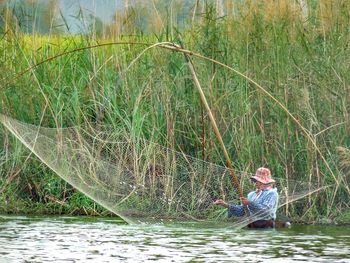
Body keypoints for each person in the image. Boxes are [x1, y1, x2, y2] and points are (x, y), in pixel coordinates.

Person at [214, 167, 279, 228]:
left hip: (266, 227)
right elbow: (241, 211)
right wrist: (225, 204)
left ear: (264, 182)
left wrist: (249, 203)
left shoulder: (272, 193)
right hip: (252, 226)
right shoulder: (251, 194)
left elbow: (266, 211)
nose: (256, 182)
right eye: (255, 180)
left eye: (258, 181)